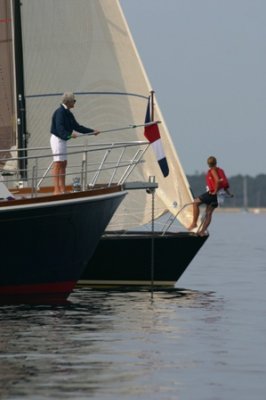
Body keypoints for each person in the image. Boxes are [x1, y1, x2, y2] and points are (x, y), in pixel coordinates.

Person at [50, 92, 99, 194]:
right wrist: (69, 135)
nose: (75, 102)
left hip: (63, 140)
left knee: (64, 163)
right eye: (74, 101)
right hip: (57, 139)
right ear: (68, 102)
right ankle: (56, 190)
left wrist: (92, 132)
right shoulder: (60, 112)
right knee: (58, 163)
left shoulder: (68, 113)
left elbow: (77, 127)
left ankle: (62, 189)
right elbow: (59, 128)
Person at [188, 156, 233, 236]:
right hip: (220, 197)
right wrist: (229, 194)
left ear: (208, 164)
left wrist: (214, 191)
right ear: (216, 162)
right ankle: (202, 231)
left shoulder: (212, 170)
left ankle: (194, 223)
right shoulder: (220, 171)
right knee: (208, 213)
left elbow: (218, 181)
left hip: (213, 194)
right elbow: (224, 185)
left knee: (195, 203)